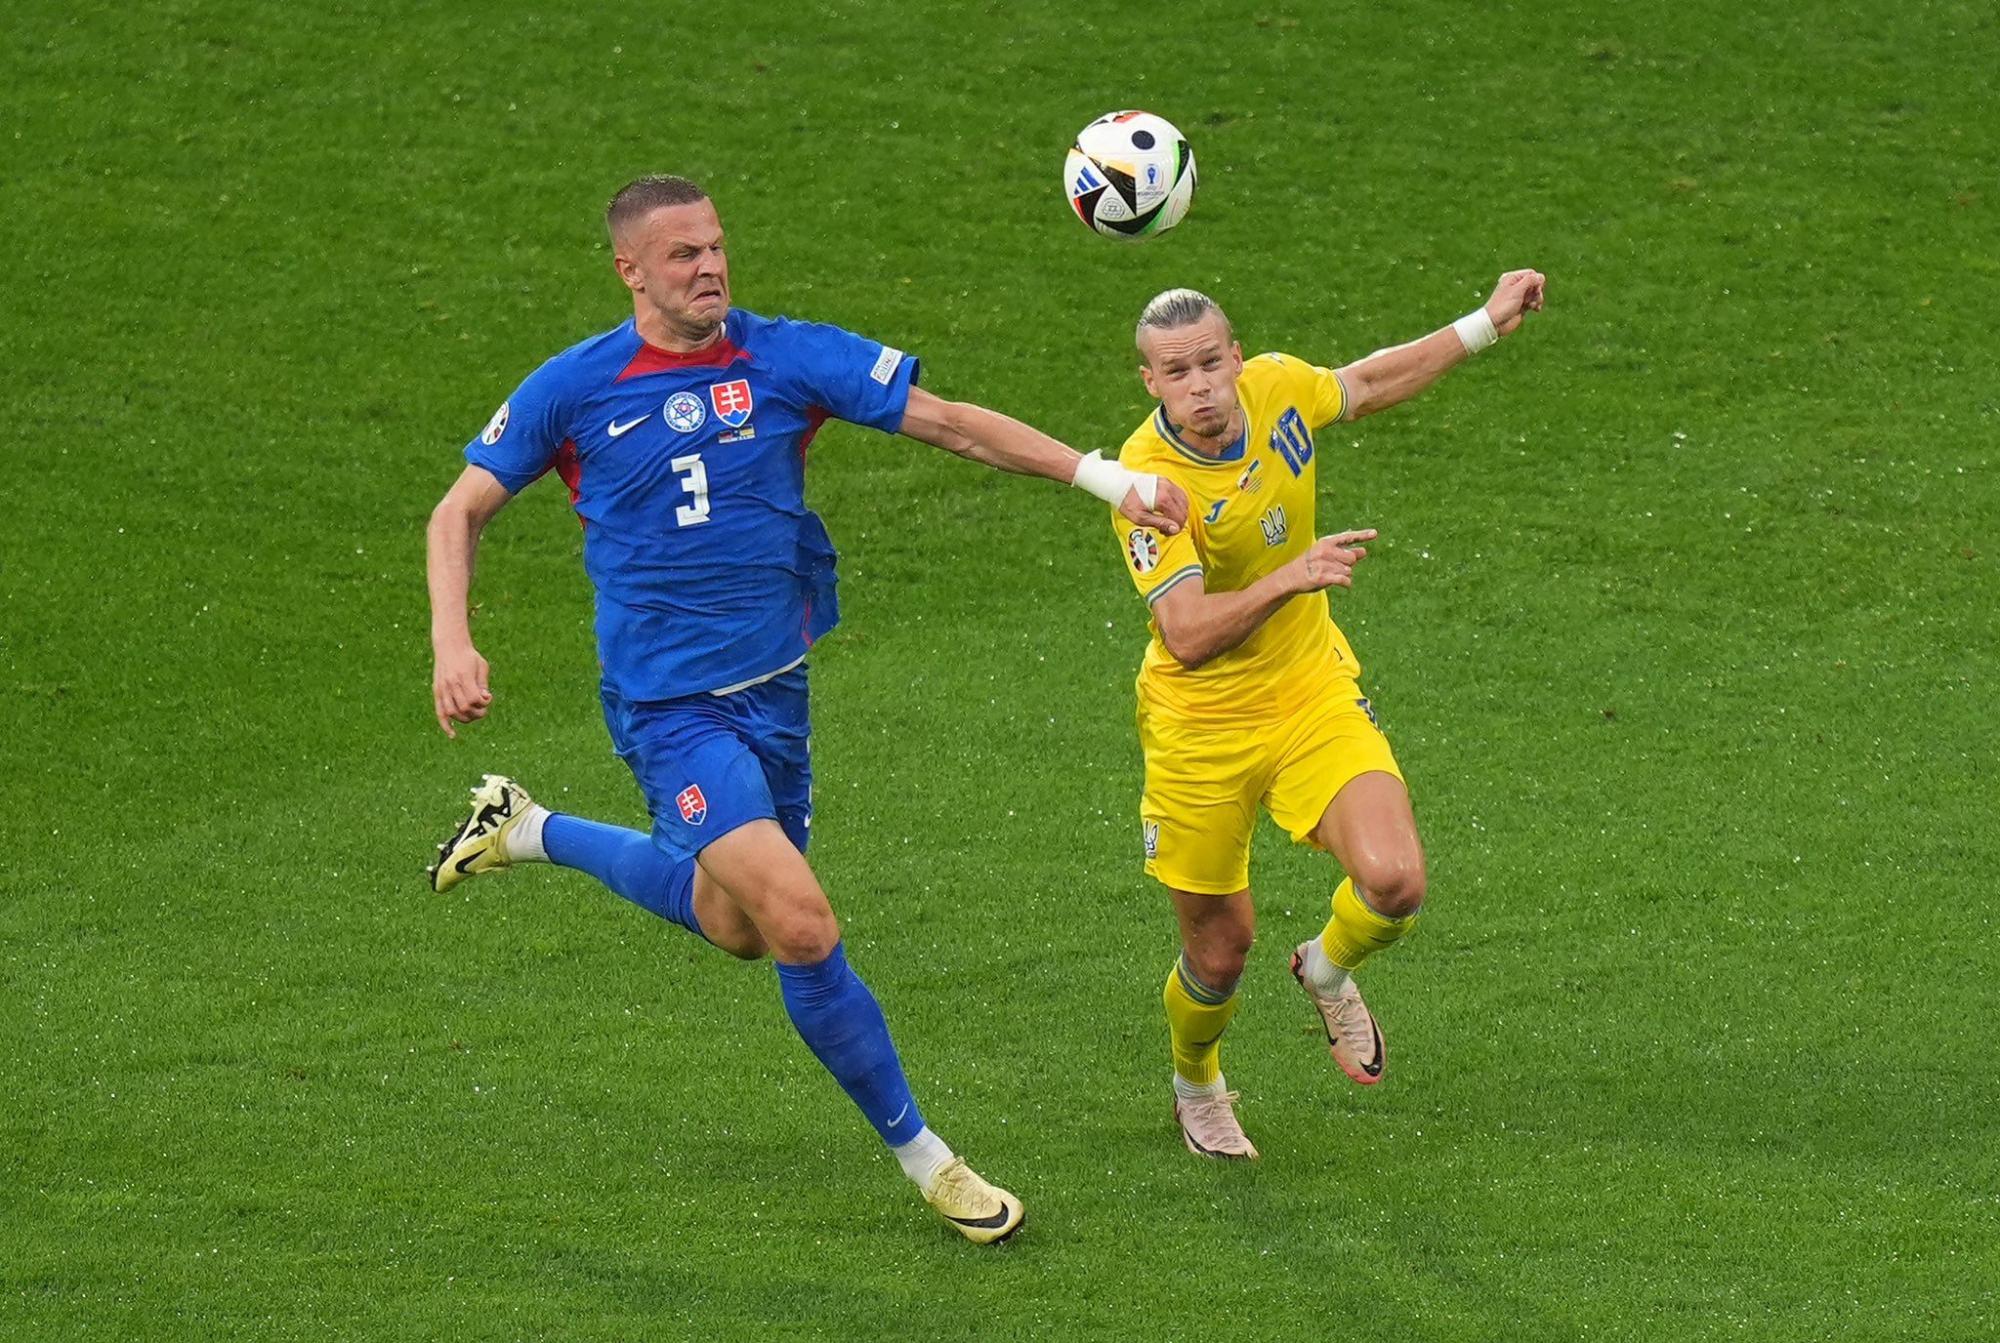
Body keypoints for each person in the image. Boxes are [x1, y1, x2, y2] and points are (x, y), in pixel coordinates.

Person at [424, 174, 1189, 1242]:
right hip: (669, 710)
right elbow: (458, 511)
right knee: (800, 921)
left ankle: (527, 828)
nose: (709, 268)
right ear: (629, 270)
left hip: (775, 695)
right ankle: (932, 1162)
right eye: (683, 254)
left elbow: (952, 425)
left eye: (715, 247)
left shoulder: (784, 357)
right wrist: (452, 641)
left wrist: (1108, 481)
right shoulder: (574, 387)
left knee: (736, 926)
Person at [1106, 273, 1545, 1158]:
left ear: (1237, 358)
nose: (1200, 387)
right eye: (1176, 373)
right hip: (1201, 727)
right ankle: (1197, 1083)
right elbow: (1185, 634)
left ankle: (1326, 965)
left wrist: (1485, 323)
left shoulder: (1279, 387)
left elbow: (1368, 382)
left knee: (1396, 882)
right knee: (1220, 951)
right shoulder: (1146, 482)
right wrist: (1291, 577)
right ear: (1150, 382)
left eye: (1210, 363)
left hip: (1309, 690)